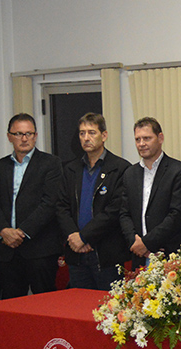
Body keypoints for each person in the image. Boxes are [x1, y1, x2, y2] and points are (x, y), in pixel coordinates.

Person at [0, 113, 63, 299]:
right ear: (9, 136)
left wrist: (21, 232)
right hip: (6, 250)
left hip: (40, 249)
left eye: (29, 133)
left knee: (44, 306)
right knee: (11, 308)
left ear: (36, 136)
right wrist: (4, 230)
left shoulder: (51, 164)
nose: (24, 138)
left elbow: (49, 203)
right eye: (19, 134)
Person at [55, 113, 132, 290]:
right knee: (80, 308)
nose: (86, 138)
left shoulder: (120, 168)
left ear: (104, 136)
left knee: (109, 310)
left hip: (107, 254)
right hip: (76, 254)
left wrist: (84, 236)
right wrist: (74, 237)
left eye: (91, 132)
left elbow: (114, 210)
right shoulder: (70, 169)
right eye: (82, 133)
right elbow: (61, 206)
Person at [118, 117, 181, 268]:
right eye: (138, 139)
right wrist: (135, 242)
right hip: (139, 257)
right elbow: (124, 213)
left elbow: (177, 215)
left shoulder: (179, 171)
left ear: (160, 138)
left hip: (170, 256)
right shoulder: (130, 173)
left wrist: (147, 243)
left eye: (147, 138)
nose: (141, 144)